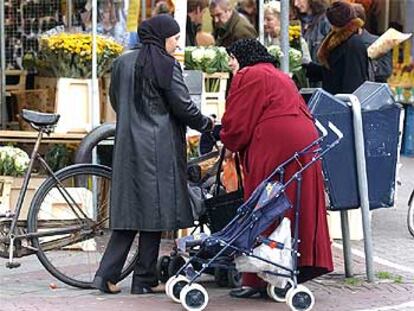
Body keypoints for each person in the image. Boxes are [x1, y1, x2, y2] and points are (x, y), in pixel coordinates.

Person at [93, 14, 213, 295]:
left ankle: (106, 274)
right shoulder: (166, 65)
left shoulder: (122, 62)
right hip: (158, 149)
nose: (176, 44)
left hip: (127, 146)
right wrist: (207, 123)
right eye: (174, 39)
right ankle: (143, 279)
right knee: (155, 213)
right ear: (162, 39)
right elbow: (183, 106)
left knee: (131, 213)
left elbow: (115, 99)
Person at [220, 39, 333, 299]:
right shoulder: (277, 75)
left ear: (243, 57)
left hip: (275, 141)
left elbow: (237, 121)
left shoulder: (249, 74)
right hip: (304, 139)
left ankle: (259, 276)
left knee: (264, 203)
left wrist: (225, 137)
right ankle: (291, 268)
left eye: (232, 57)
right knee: (296, 204)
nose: (229, 63)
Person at [306, 0, 369, 94]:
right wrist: (309, 67)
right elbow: (333, 72)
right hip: (337, 100)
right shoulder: (338, 40)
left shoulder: (351, 43)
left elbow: (354, 82)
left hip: (344, 102)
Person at [352, 3, 392, 83]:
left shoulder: (378, 43)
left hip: (370, 89)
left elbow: (386, 70)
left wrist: (368, 64)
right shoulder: (339, 42)